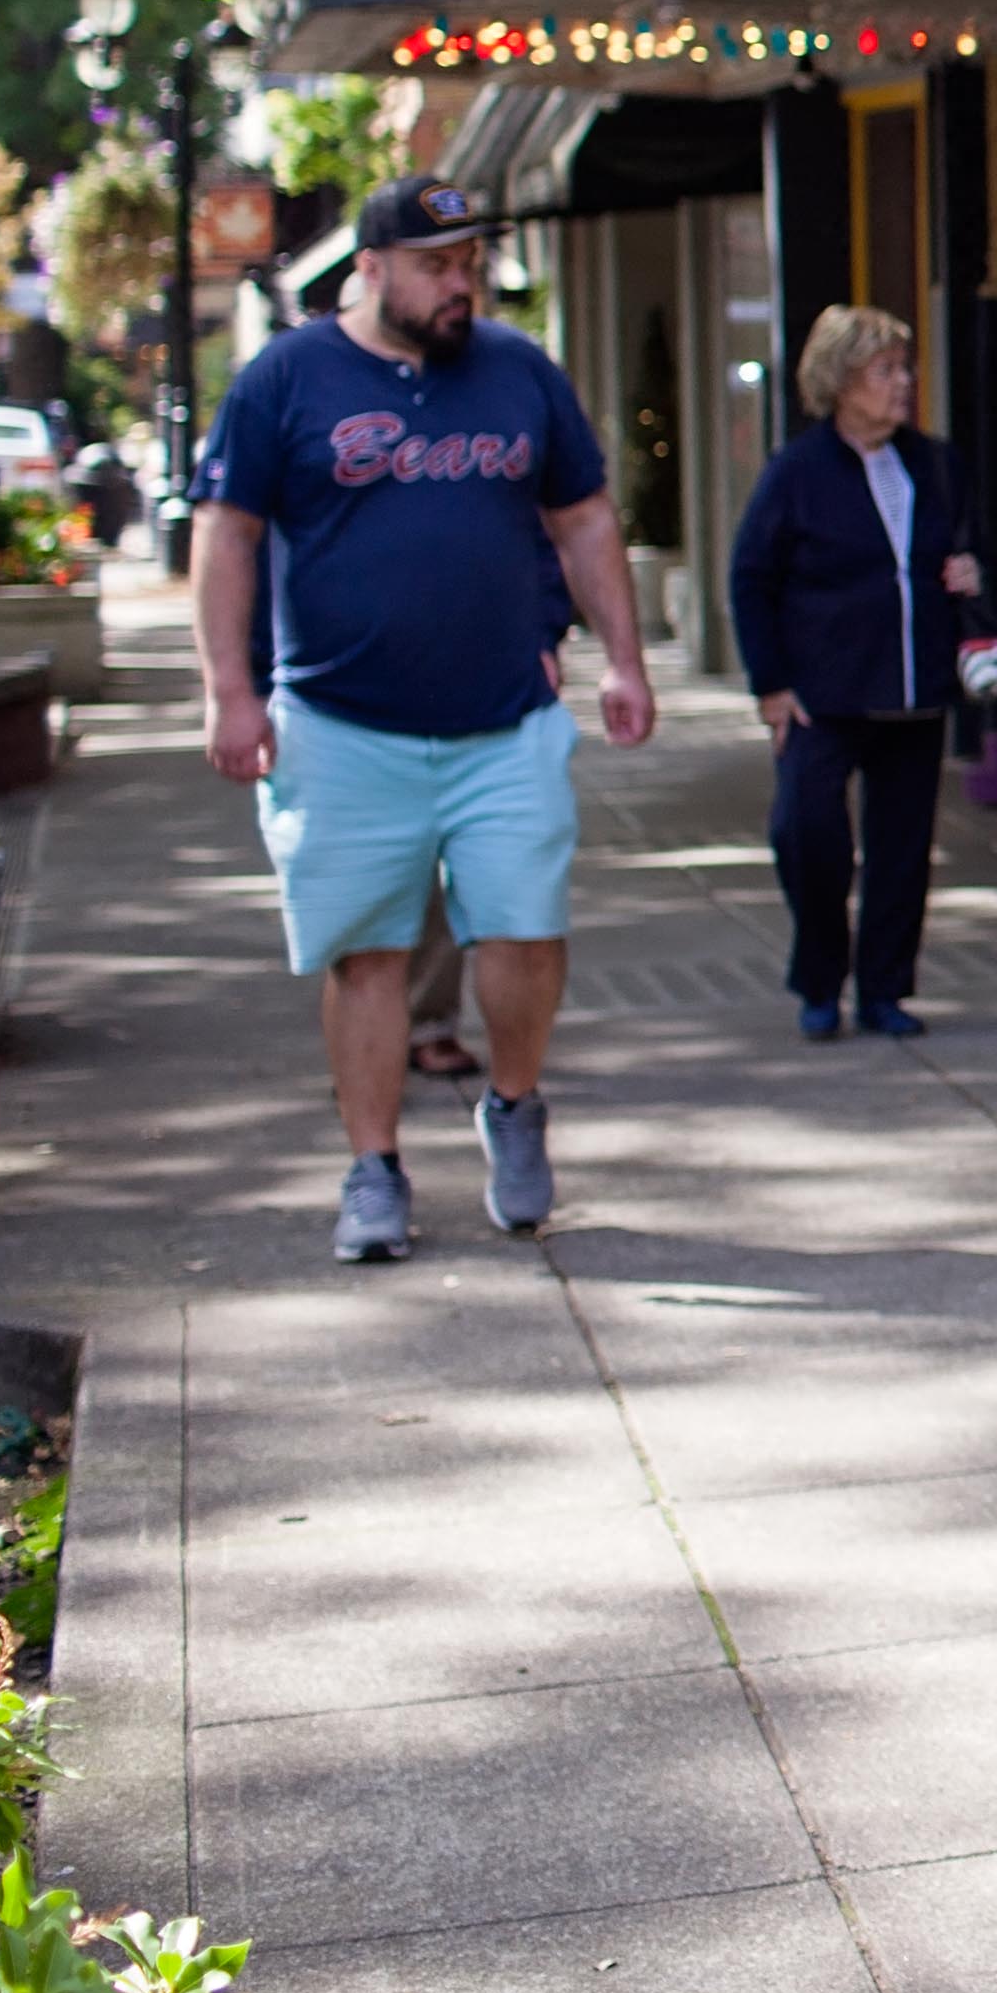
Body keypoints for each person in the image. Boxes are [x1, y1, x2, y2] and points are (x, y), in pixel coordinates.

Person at [192, 177, 656, 1263]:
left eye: (474, 264)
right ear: (371, 268)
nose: (463, 286)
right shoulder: (284, 380)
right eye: (440, 266)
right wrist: (229, 688)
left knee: (526, 934)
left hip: (505, 720)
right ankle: (374, 1170)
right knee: (368, 956)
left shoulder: (518, 370)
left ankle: (514, 1102)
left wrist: (624, 660)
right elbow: (229, 534)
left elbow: (583, 518)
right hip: (342, 726)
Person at [728, 303, 980, 1043]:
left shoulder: (934, 463)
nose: (903, 384)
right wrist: (771, 686)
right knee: (807, 836)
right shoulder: (796, 474)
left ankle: (883, 991)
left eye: (905, 369)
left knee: (903, 850)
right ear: (841, 381)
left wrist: (968, 572)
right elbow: (751, 577)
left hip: (913, 687)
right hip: (822, 694)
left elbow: (966, 551)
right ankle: (818, 976)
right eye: (886, 371)